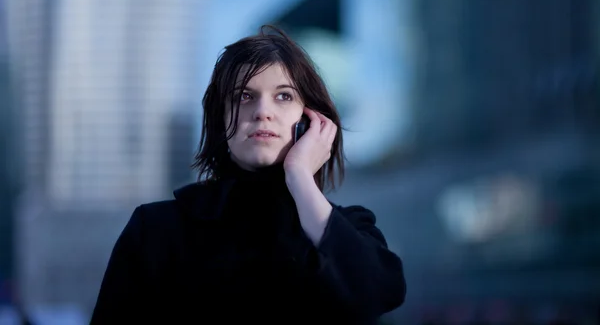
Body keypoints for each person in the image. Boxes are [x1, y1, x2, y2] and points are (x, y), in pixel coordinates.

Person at [90, 25, 406, 324]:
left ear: (311, 121)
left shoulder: (350, 229)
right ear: (220, 119)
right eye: (244, 96)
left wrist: (299, 177)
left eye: (284, 96)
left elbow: (376, 293)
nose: (262, 112)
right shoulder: (156, 230)